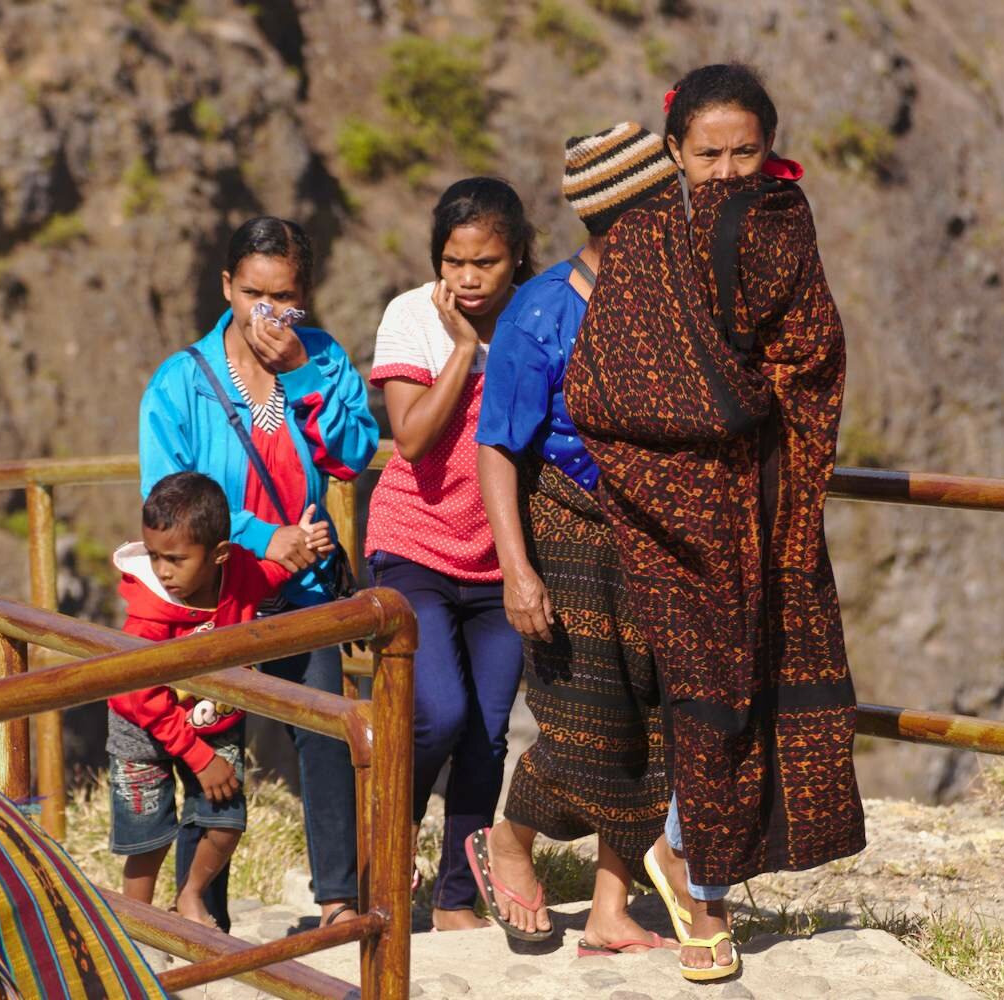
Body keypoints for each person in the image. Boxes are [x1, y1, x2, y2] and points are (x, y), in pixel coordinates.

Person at [565, 64, 865, 982]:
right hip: (676, 516)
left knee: (757, 690)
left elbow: (815, 353)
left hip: (769, 510)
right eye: (708, 155)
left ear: (771, 149)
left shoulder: (789, 227)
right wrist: (728, 406)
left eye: (746, 152)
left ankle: (689, 865)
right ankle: (702, 899)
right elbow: (605, 385)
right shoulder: (643, 241)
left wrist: (759, 411)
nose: (729, 171)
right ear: (673, 153)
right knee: (708, 701)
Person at [471, 123, 679, 955]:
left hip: (651, 539)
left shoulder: (672, 302)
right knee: (584, 723)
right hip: (567, 532)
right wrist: (517, 570)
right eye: (663, 207)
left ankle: (607, 909)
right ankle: (508, 839)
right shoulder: (541, 311)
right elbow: (498, 445)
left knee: (652, 723)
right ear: (626, 220)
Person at [138, 216, 379, 931]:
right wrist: (262, 537)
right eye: (253, 294)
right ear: (227, 287)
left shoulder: (322, 357)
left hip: (303, 593)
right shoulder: (182, 382)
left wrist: (302, 372)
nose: (266, 313)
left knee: (327, 734)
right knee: (213, 741)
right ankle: (201, 909)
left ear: (305, 295)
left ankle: (337, 899)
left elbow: (353, 455)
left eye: (284, 298)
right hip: (218, 598)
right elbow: (167, 495)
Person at [363, 178, 532, 932]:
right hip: (414, 546)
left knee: (488, 731)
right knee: (437, 712)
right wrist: (464, 348)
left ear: (515, 256)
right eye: (454, 261)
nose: (467, 278)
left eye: (485, 263)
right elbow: (412, 438)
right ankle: (389, 843)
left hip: (500, 560)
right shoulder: (412, 316)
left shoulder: (537, 316)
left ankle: (455, 896)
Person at [108, 472, 286, 925]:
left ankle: (190, 895)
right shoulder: (147, 617)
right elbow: (144, 697)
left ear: (219, 554)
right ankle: (138, 926)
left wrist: (301, 549)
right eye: (154, 556)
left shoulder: (238, 573)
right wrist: (199, 758)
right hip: (142, 726)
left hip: (211, 718)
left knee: (226, 820)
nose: (163, 570)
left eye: (175, 559)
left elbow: (264, 578)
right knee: (149, 839)